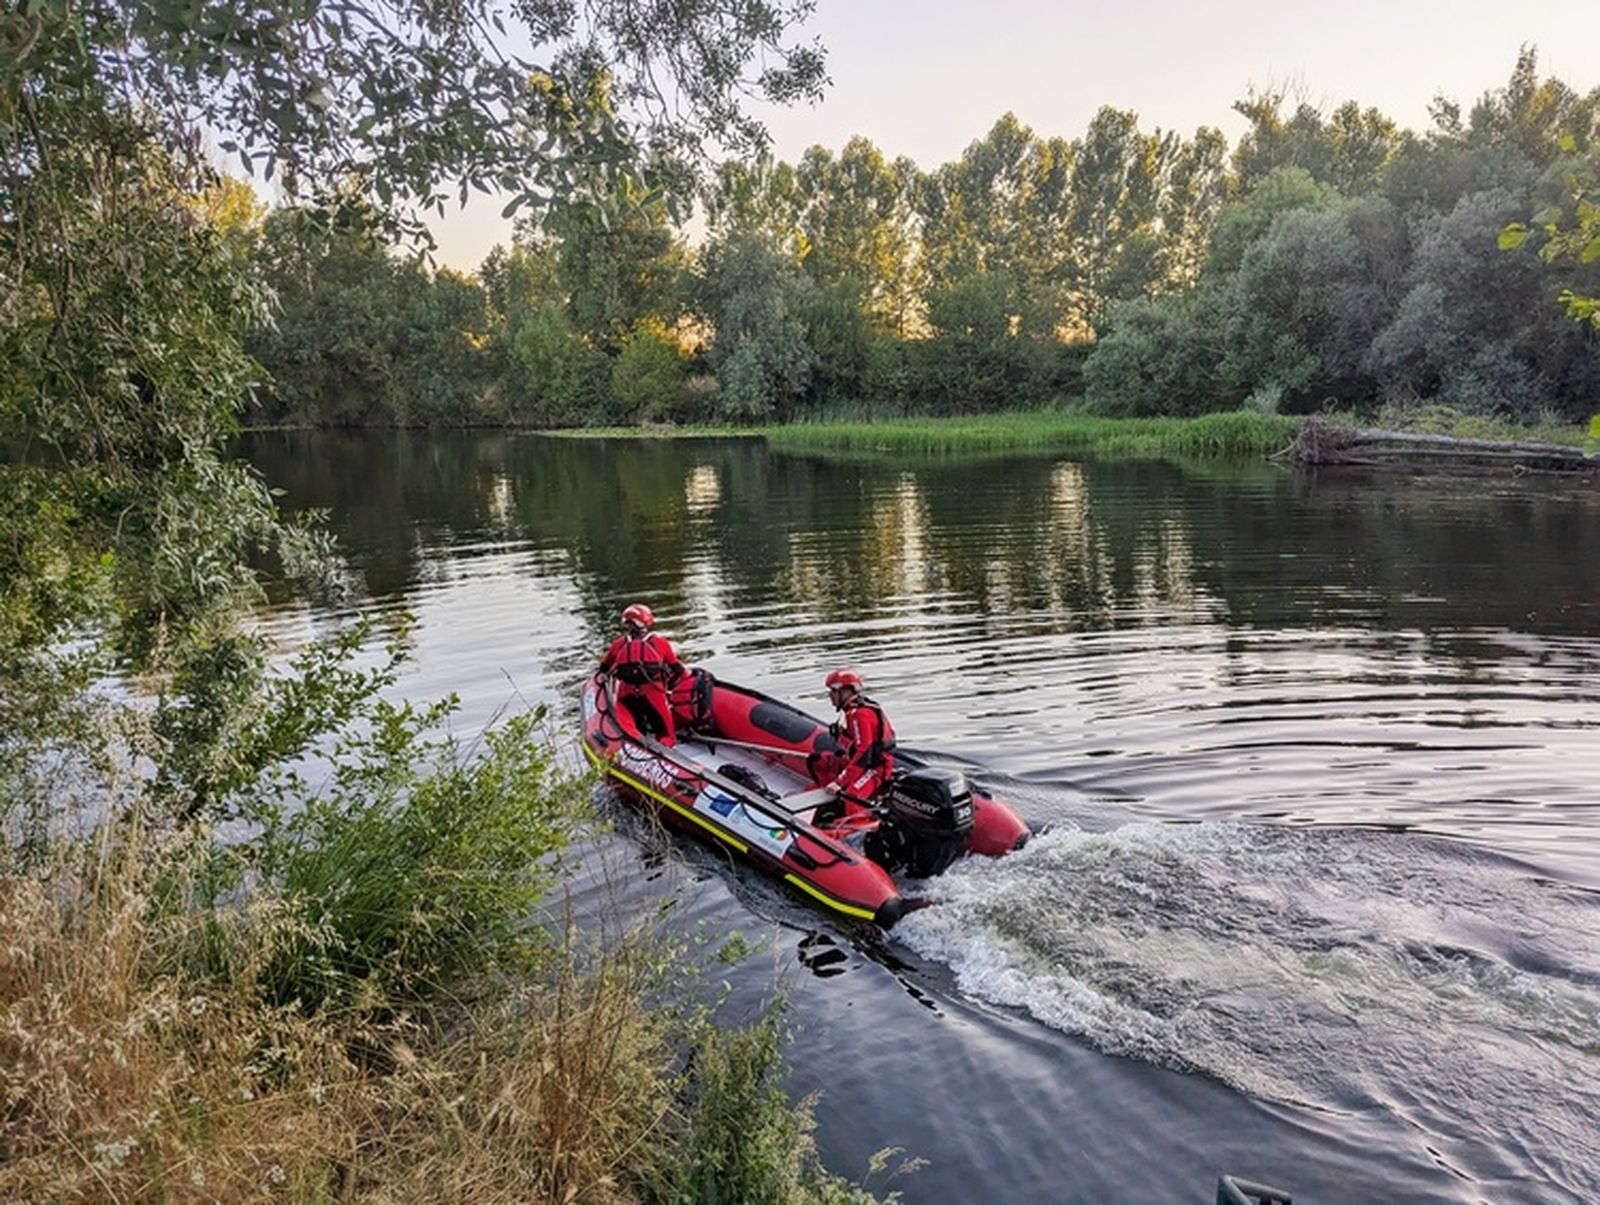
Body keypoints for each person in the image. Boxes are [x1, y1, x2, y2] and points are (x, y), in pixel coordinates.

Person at [809, 667, 897, 805]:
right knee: (817, 761)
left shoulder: (860, 715)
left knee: (850, 801)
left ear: (847, 691)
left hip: (875, 768)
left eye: (833, 691)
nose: (830, 695)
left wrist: (840, 782)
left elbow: (864, 753)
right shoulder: (853, 711)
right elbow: (857, 743)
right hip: (865, 763)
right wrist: (842, 735)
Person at [599, 603, 684, 744]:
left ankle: (636, 741)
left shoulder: (619, 644)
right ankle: (664, 746)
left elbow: (604, 667)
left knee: (632, 728)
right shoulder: (660, 642)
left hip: (626, 693)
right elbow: (676, 668)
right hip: (653, 692)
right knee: (666, 734)